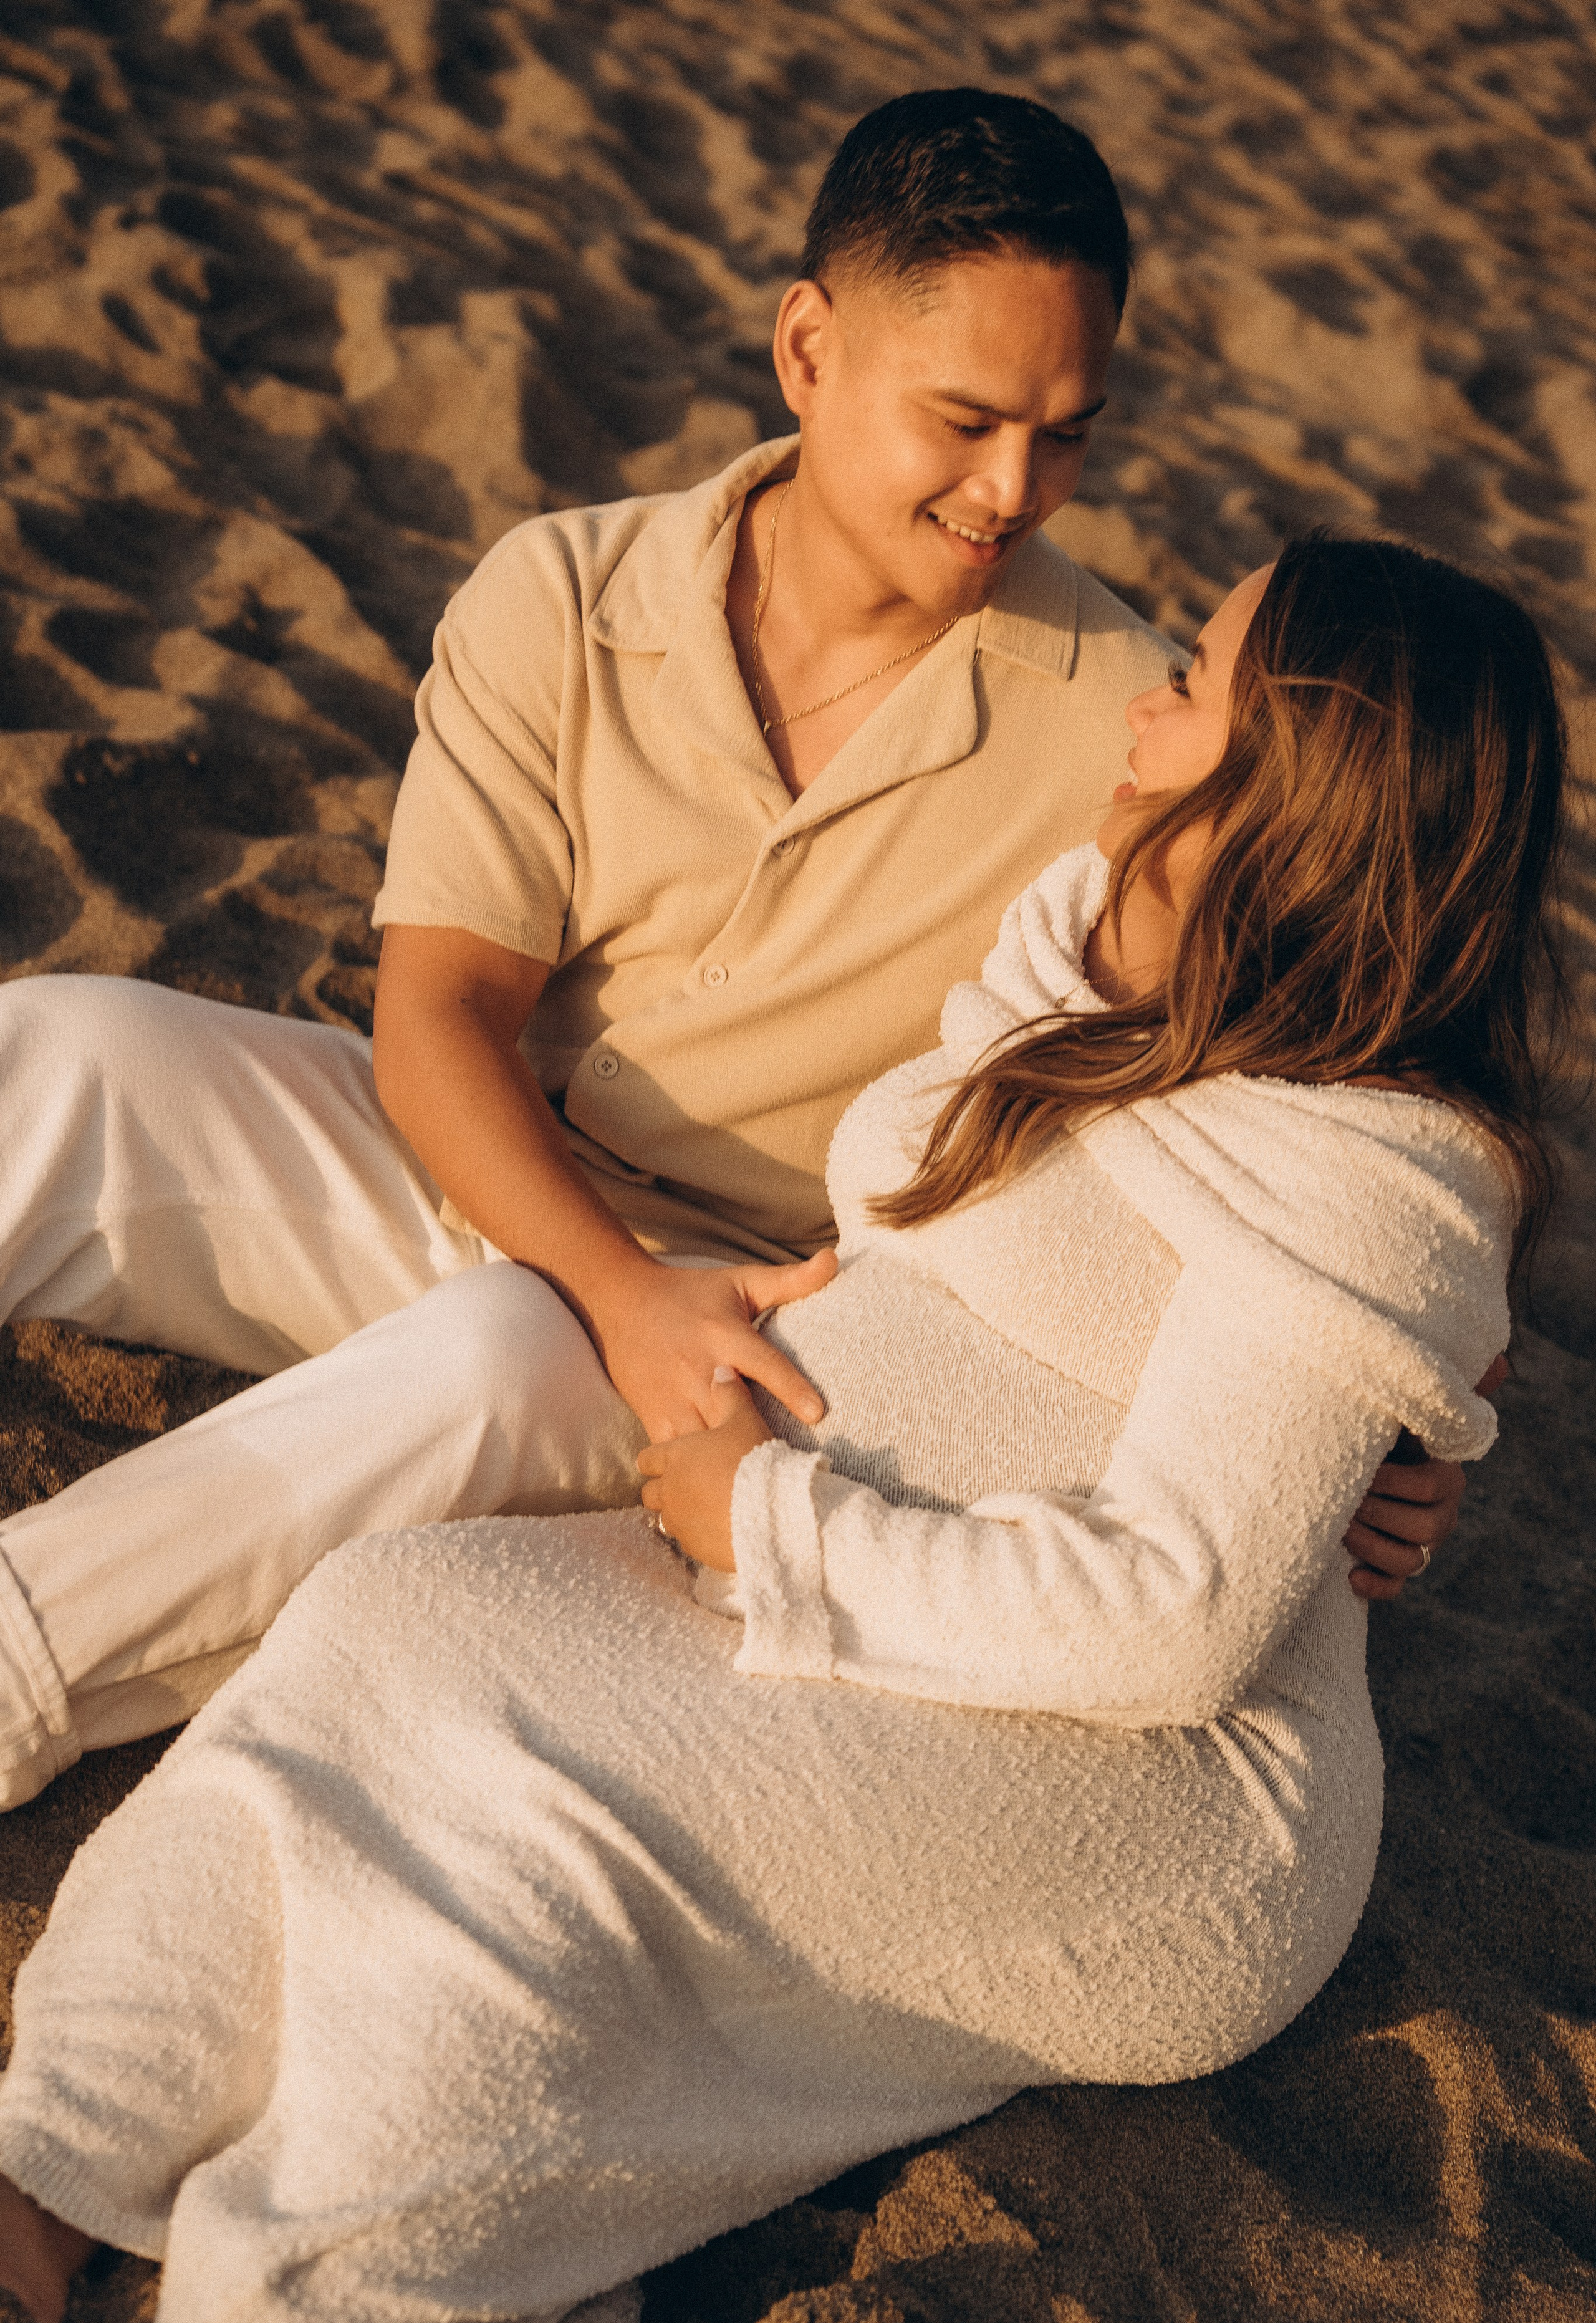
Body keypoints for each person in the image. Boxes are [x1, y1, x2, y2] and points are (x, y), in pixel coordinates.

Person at [0, 531, 1564, 2323]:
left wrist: (766, 1519)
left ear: (1293, 778)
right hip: (854, 1566)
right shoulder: (1097, 946)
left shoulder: (1367, 1167)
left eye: (1199, 686)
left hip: (1147, 1773)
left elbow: (1180, 1620)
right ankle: (57, 2158)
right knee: (383, 1626)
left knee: (533, 1839)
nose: (1149, 702)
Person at [0, 92, 1460, 1811]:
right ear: (809, 348)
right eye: (968, 419)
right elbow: (440, 1022)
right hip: (488, 1163)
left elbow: (1328, 1065)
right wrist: (608, 1281)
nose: (1015, 492)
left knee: (478, 1360)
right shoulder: (562, 590)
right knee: (69, 1044)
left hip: (763, 1328)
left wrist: (1406, 1411)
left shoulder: (1123, 738)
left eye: (1068, 435)